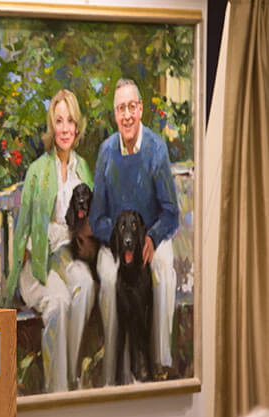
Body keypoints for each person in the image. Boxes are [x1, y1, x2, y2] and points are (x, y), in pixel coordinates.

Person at [89, 78, 180, 385]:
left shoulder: (156, 149)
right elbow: (97, 216)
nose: (126, 115)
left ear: (140, 109)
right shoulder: (106, 153)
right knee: (111, 281)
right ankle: (115, 376)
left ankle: (159, 363)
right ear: (115, 115)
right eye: (120, 109)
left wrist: (151, 238)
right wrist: (117, 243)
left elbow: (171, 211)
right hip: (115, 243)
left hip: (151, 236)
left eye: (131, 107)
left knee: (165, 272)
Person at [6, 89, 96, 393]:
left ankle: (69, 375)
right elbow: (27, 235)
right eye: (59, 121)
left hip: (69, 257)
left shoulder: (81, 169)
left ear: (77, 126)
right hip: (39, 263)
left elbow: (90, 222)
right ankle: (57, 392)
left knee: (85, 287)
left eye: (70, 120)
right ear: (52, 126)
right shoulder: (38, 171)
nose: (66, 128)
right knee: (58, 301)